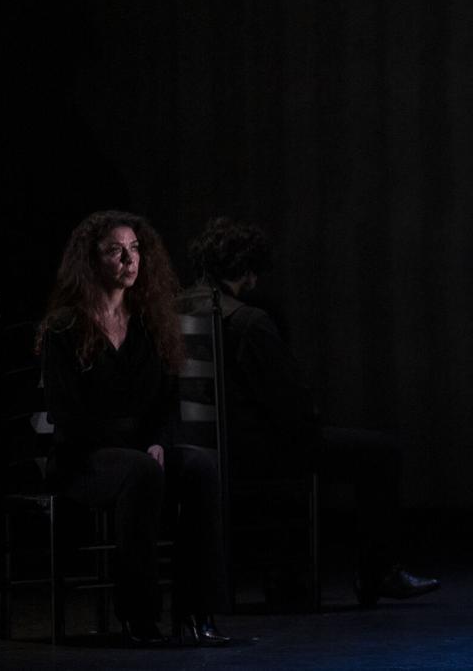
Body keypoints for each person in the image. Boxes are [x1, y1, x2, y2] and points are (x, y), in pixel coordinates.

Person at [177, 217, 439, 607]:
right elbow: (289, 404)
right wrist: (309, 419)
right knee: (383, 452)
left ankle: (287, 572)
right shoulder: (249, 321)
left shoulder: (176, 311)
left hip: (201, 451)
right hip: (257, 452)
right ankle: (378, 573)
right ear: (249, 271)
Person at [36, 210, 230, 646]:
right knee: (139, 472)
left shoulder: (148, 324)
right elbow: (67, 413)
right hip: (83, 457)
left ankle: (200, 612)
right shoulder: (65, 328)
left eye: (135, 249)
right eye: (115, 250)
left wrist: (158, 442)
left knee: (198, 467)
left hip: (141, 450)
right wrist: (138, 449)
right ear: (92, 260)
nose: (129, 259)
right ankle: (139, 614)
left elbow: (164, 401)